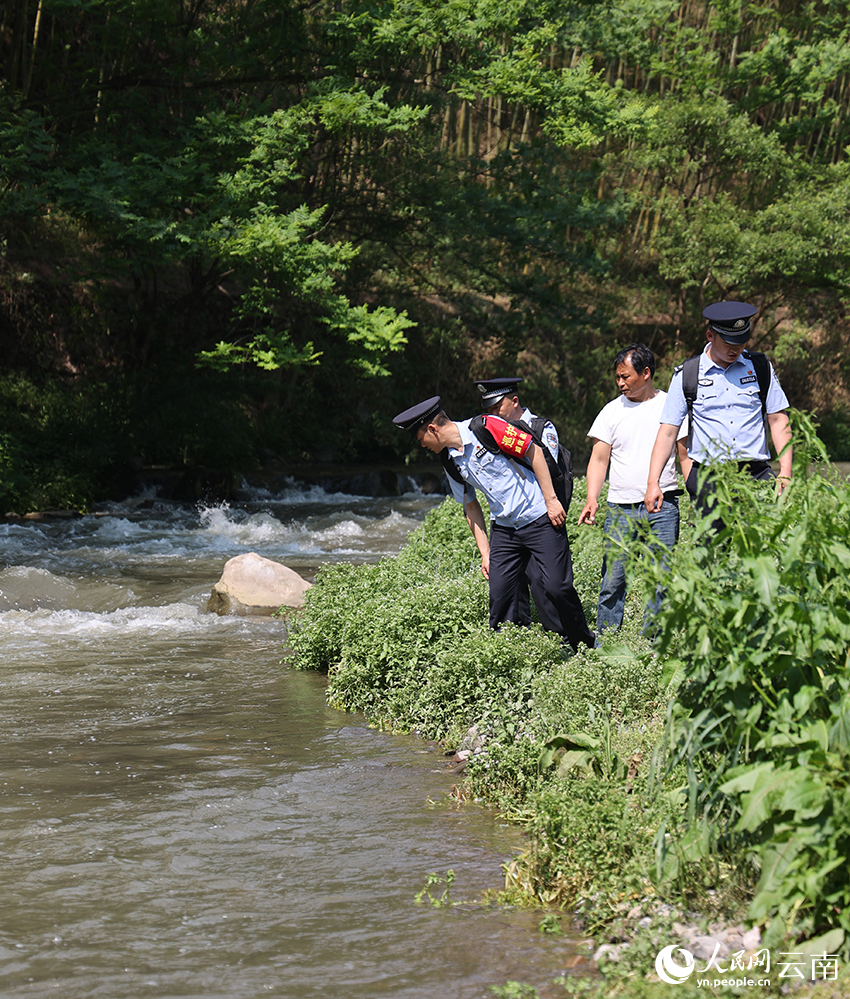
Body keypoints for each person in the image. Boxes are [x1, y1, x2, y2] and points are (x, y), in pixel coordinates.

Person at [392, 396, 595, 651]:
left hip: (539, 517)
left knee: (557, 587)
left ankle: (582, 645)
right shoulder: (449, 460)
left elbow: (533, 451)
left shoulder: (487, 427)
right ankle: (511, 650)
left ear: (433, 429)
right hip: (505, 529)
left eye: (421, 438)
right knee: (501, 595)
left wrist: (551, 500)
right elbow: (470, 505)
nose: (422, 445)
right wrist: (485, 553)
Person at [644, 301, 792, 526]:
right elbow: (667, 433)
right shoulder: (688, 375)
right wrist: (653, 482)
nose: (736, 349)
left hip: (754, 476)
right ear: (710, 335)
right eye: (729, 342)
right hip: (709, 479)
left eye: (741, 342)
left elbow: (778, 419)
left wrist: (785, 470)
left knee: (758, 553)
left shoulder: (760, 367)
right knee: (712, 554)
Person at [578, 344, 685, 634]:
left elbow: (684, 455)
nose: (620, 383)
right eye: (617, 378)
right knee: (612, 579)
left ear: (646, 373)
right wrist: (591, 498)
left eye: (626, 377)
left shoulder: (671, 406)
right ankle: (607, 642)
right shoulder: (611, 411)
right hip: (620, 508)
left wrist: (698, 496)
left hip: (663, 505)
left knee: (660, 579)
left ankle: (652, 645)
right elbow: (599, 460)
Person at [474, 376, 561, 627]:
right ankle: (516, 636)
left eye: (497, 407)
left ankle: (558, 637)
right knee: (509, 586)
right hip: (507, 521)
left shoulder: (541, 427)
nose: (493, 414)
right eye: (488, 410)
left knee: (544, 582)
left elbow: (549, 470)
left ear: (514, 401)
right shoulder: (488, 434)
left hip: (540, 516)